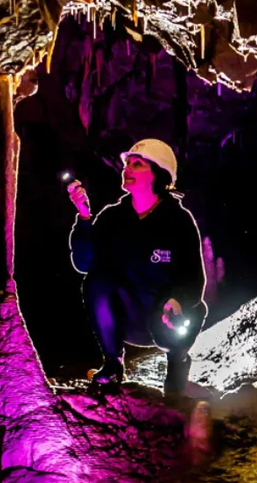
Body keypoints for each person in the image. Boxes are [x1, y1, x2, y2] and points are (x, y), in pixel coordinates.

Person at [67, 139, 207, 397]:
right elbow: (84, 263)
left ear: (158, 174)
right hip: (129, 316)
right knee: (96, 280)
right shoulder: (113, 217)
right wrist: (84, 218)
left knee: (189, 312)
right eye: (127, 164)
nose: (127, 169)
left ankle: (177, 361)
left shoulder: (178, 221)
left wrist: (178, 300)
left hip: (165, 316)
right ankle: (112, 364)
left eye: (137, 164)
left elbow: (194, 278)